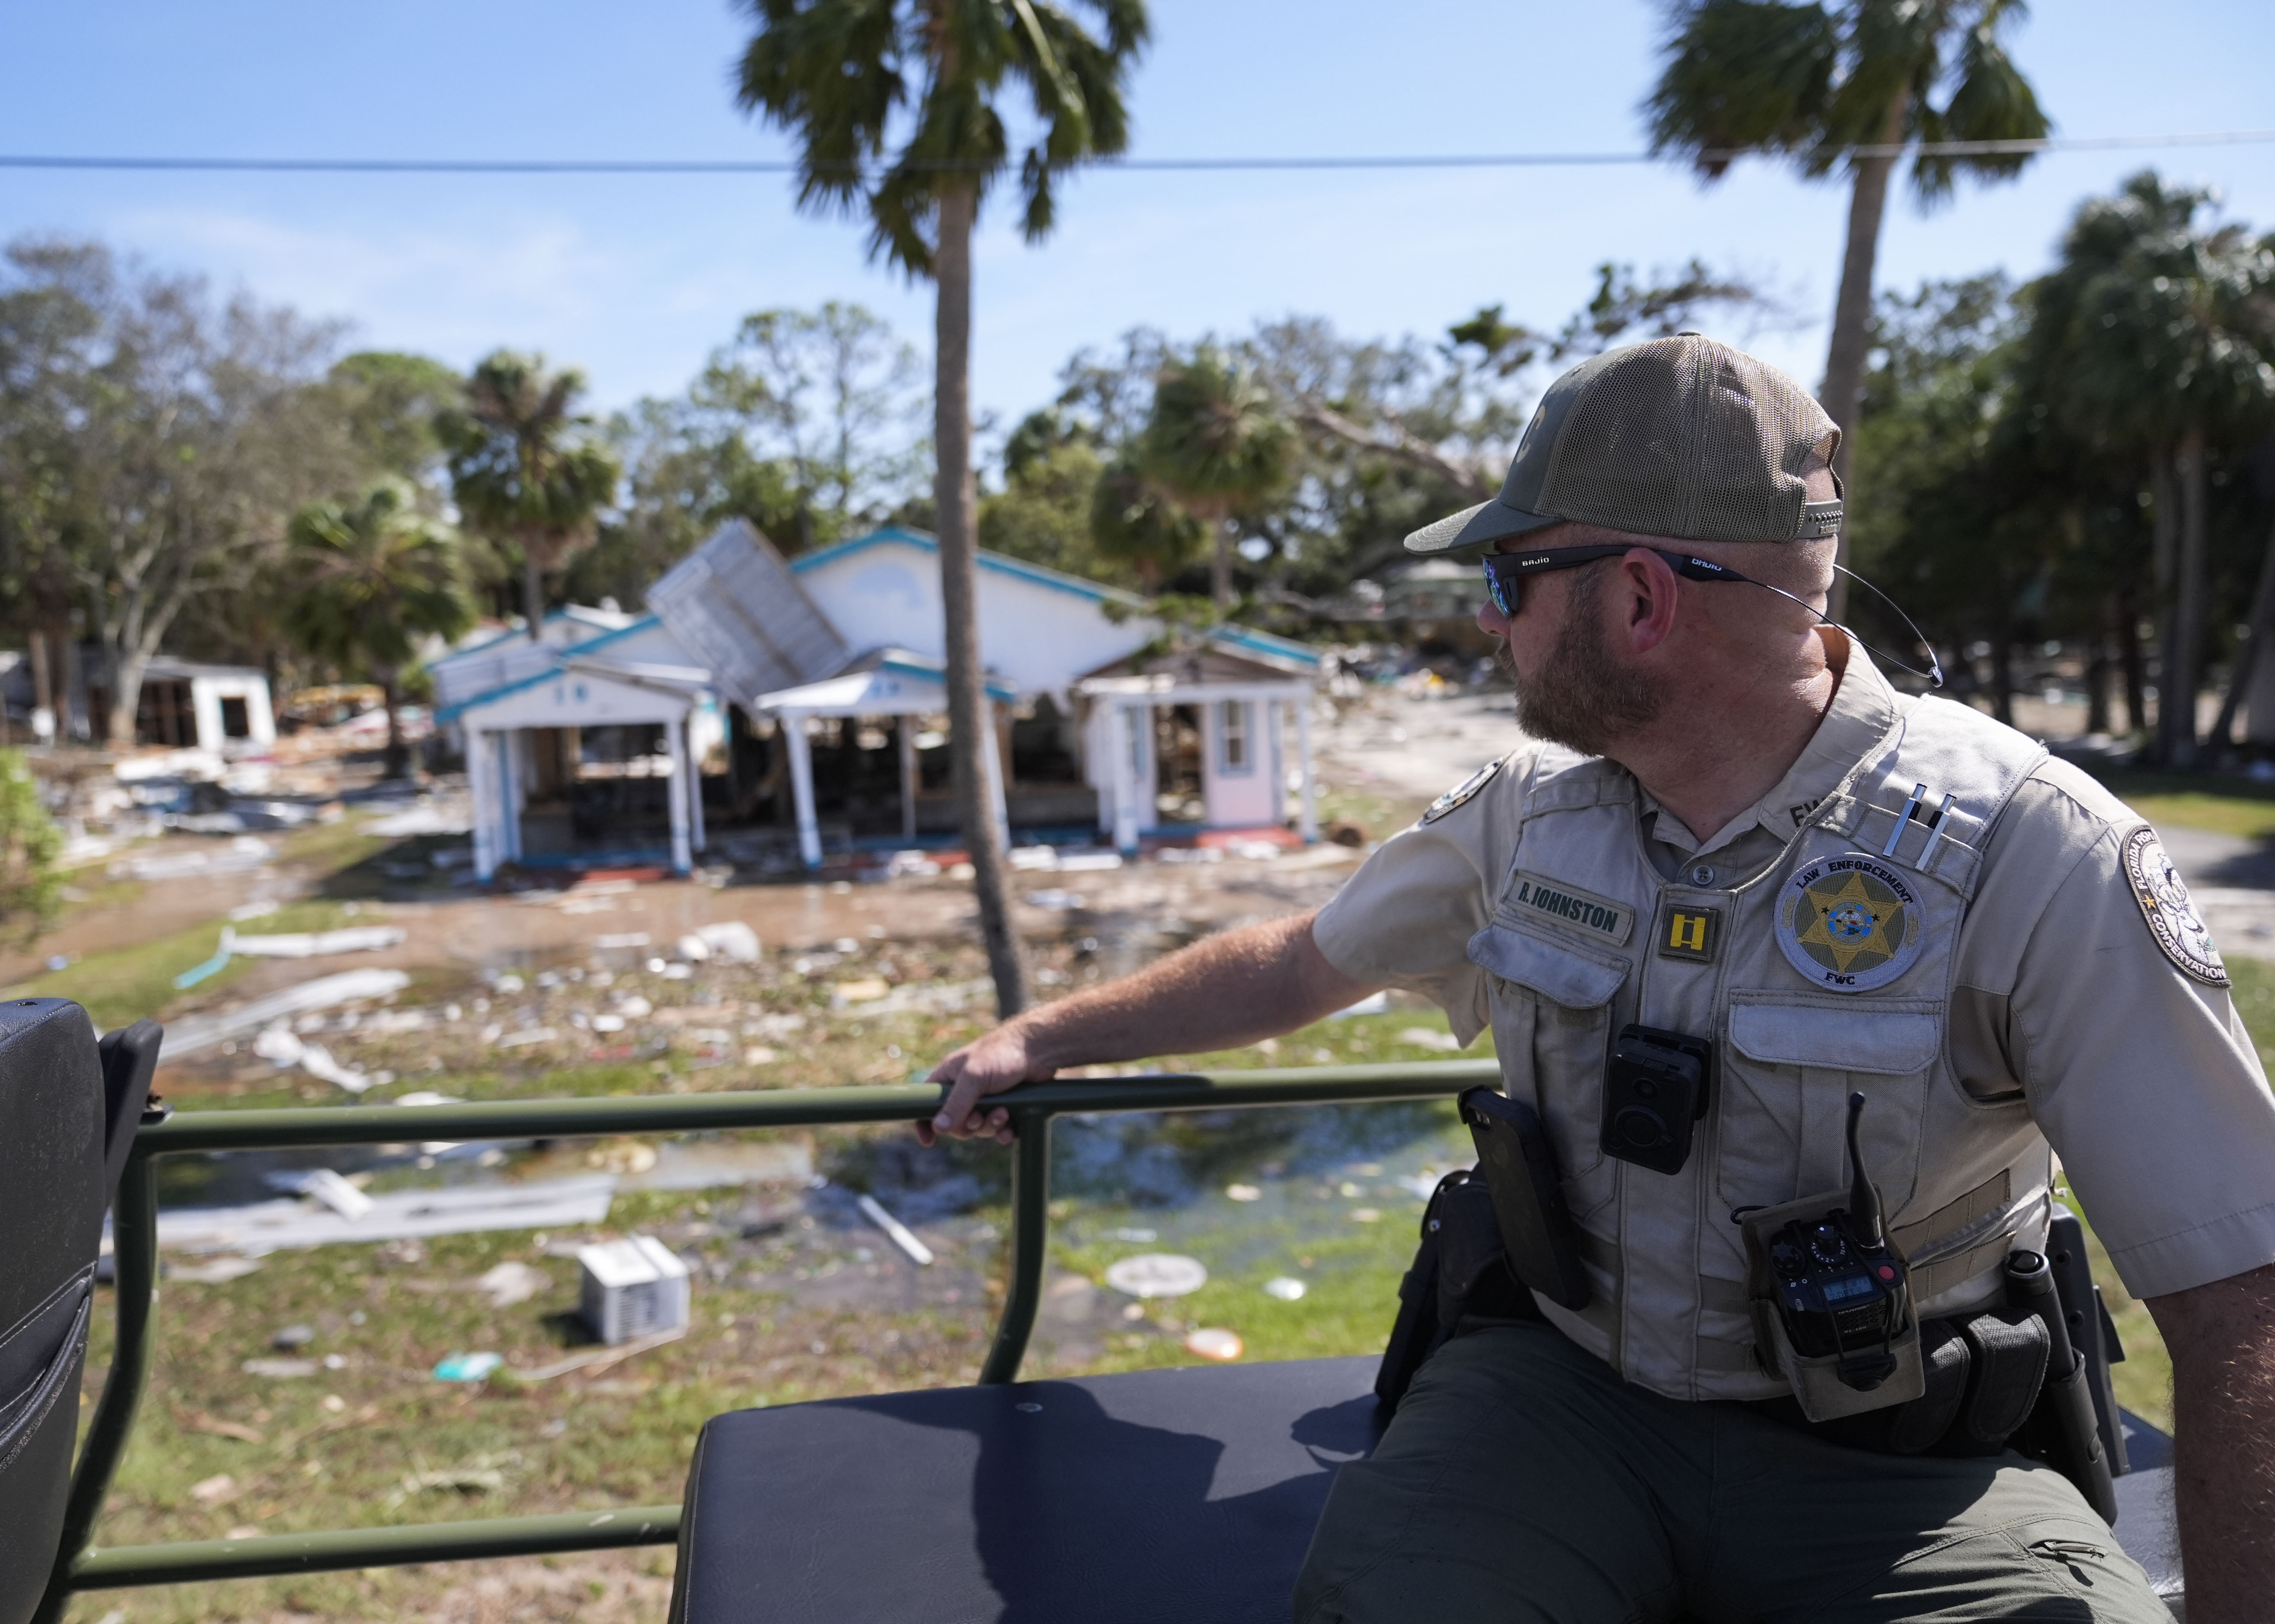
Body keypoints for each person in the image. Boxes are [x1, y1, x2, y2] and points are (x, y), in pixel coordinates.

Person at [920, 333, 2275, 1623]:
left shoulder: (2031, 849)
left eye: (1509, 580)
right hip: (1566, 1398)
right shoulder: (1524, 815)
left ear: (1638, 597)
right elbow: (1296, 965)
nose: (1490, 626)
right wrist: (1044, 1036)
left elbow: (2238, 1304)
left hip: (1900, 1461)